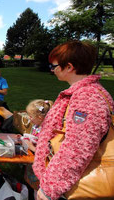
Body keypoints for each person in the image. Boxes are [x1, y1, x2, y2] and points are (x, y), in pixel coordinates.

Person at [33, 40, 114, 200]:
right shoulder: (84, 93)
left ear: (69, 67)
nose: (52, 70)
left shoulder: (87, 97)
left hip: (71, 188)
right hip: (65, 183)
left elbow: (77, 149)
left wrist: (49, 189)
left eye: (54, 66)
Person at [22, 99, 53, 195]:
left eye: (31, 116)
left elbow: (46, 153)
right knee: (31, 185)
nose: (29, 118)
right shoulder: (37, 126)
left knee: (38, 189)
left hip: (41, 165)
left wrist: (31, 146)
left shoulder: (47, 131)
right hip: (33, 161)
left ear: (39, 117)